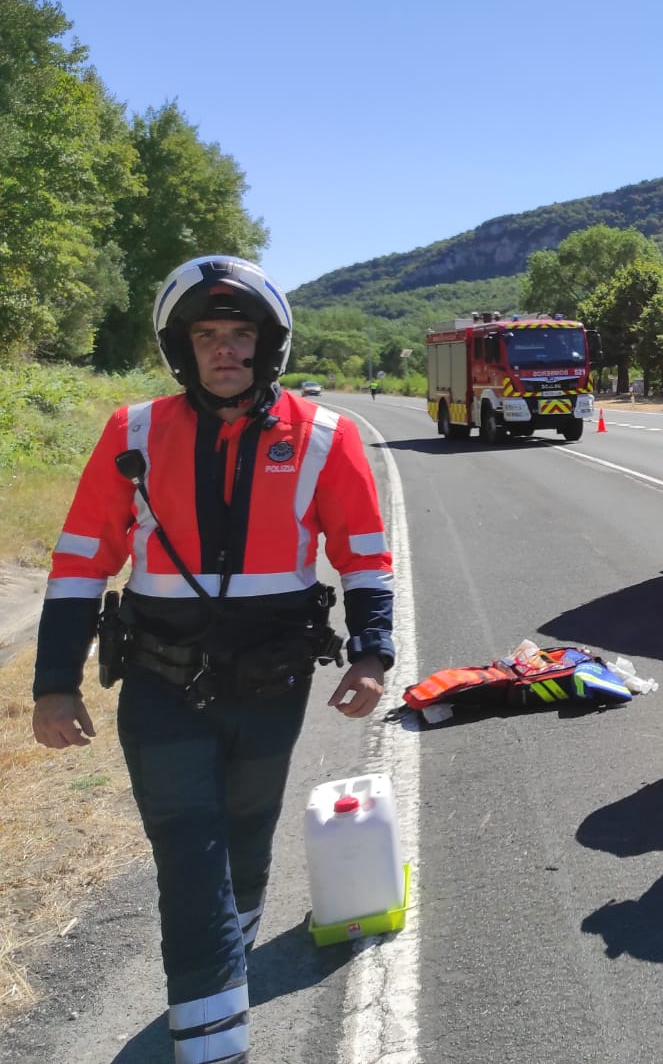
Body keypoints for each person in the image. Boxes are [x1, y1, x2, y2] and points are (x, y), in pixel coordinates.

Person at [31, 255, 396, 1064]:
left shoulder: (325, 436)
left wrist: (371, 656)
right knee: (189, 852)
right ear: (181, 348)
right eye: (207, 335)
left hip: (273, 683)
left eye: (240, 334)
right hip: (161, 683)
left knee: (246, 833)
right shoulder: (130, 433)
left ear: (269, 346)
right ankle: (213, 1040)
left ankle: (220, 964)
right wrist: (55, 683)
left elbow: (366, 556)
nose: (224, 350)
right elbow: (80, 560)